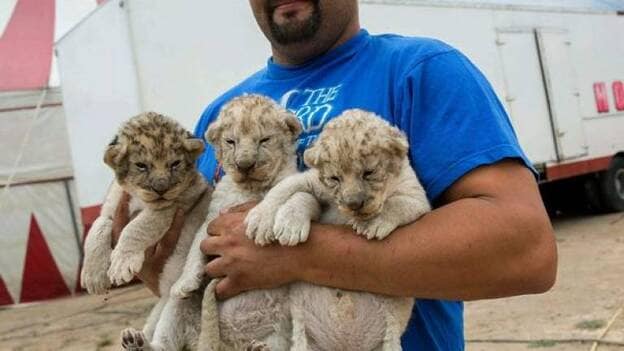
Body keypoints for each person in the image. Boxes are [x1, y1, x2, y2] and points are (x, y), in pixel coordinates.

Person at [114, 0, 558, 349]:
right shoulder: (221, 116)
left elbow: (525, 250)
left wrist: (296, 256)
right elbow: (187, 277)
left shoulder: (420, 71)